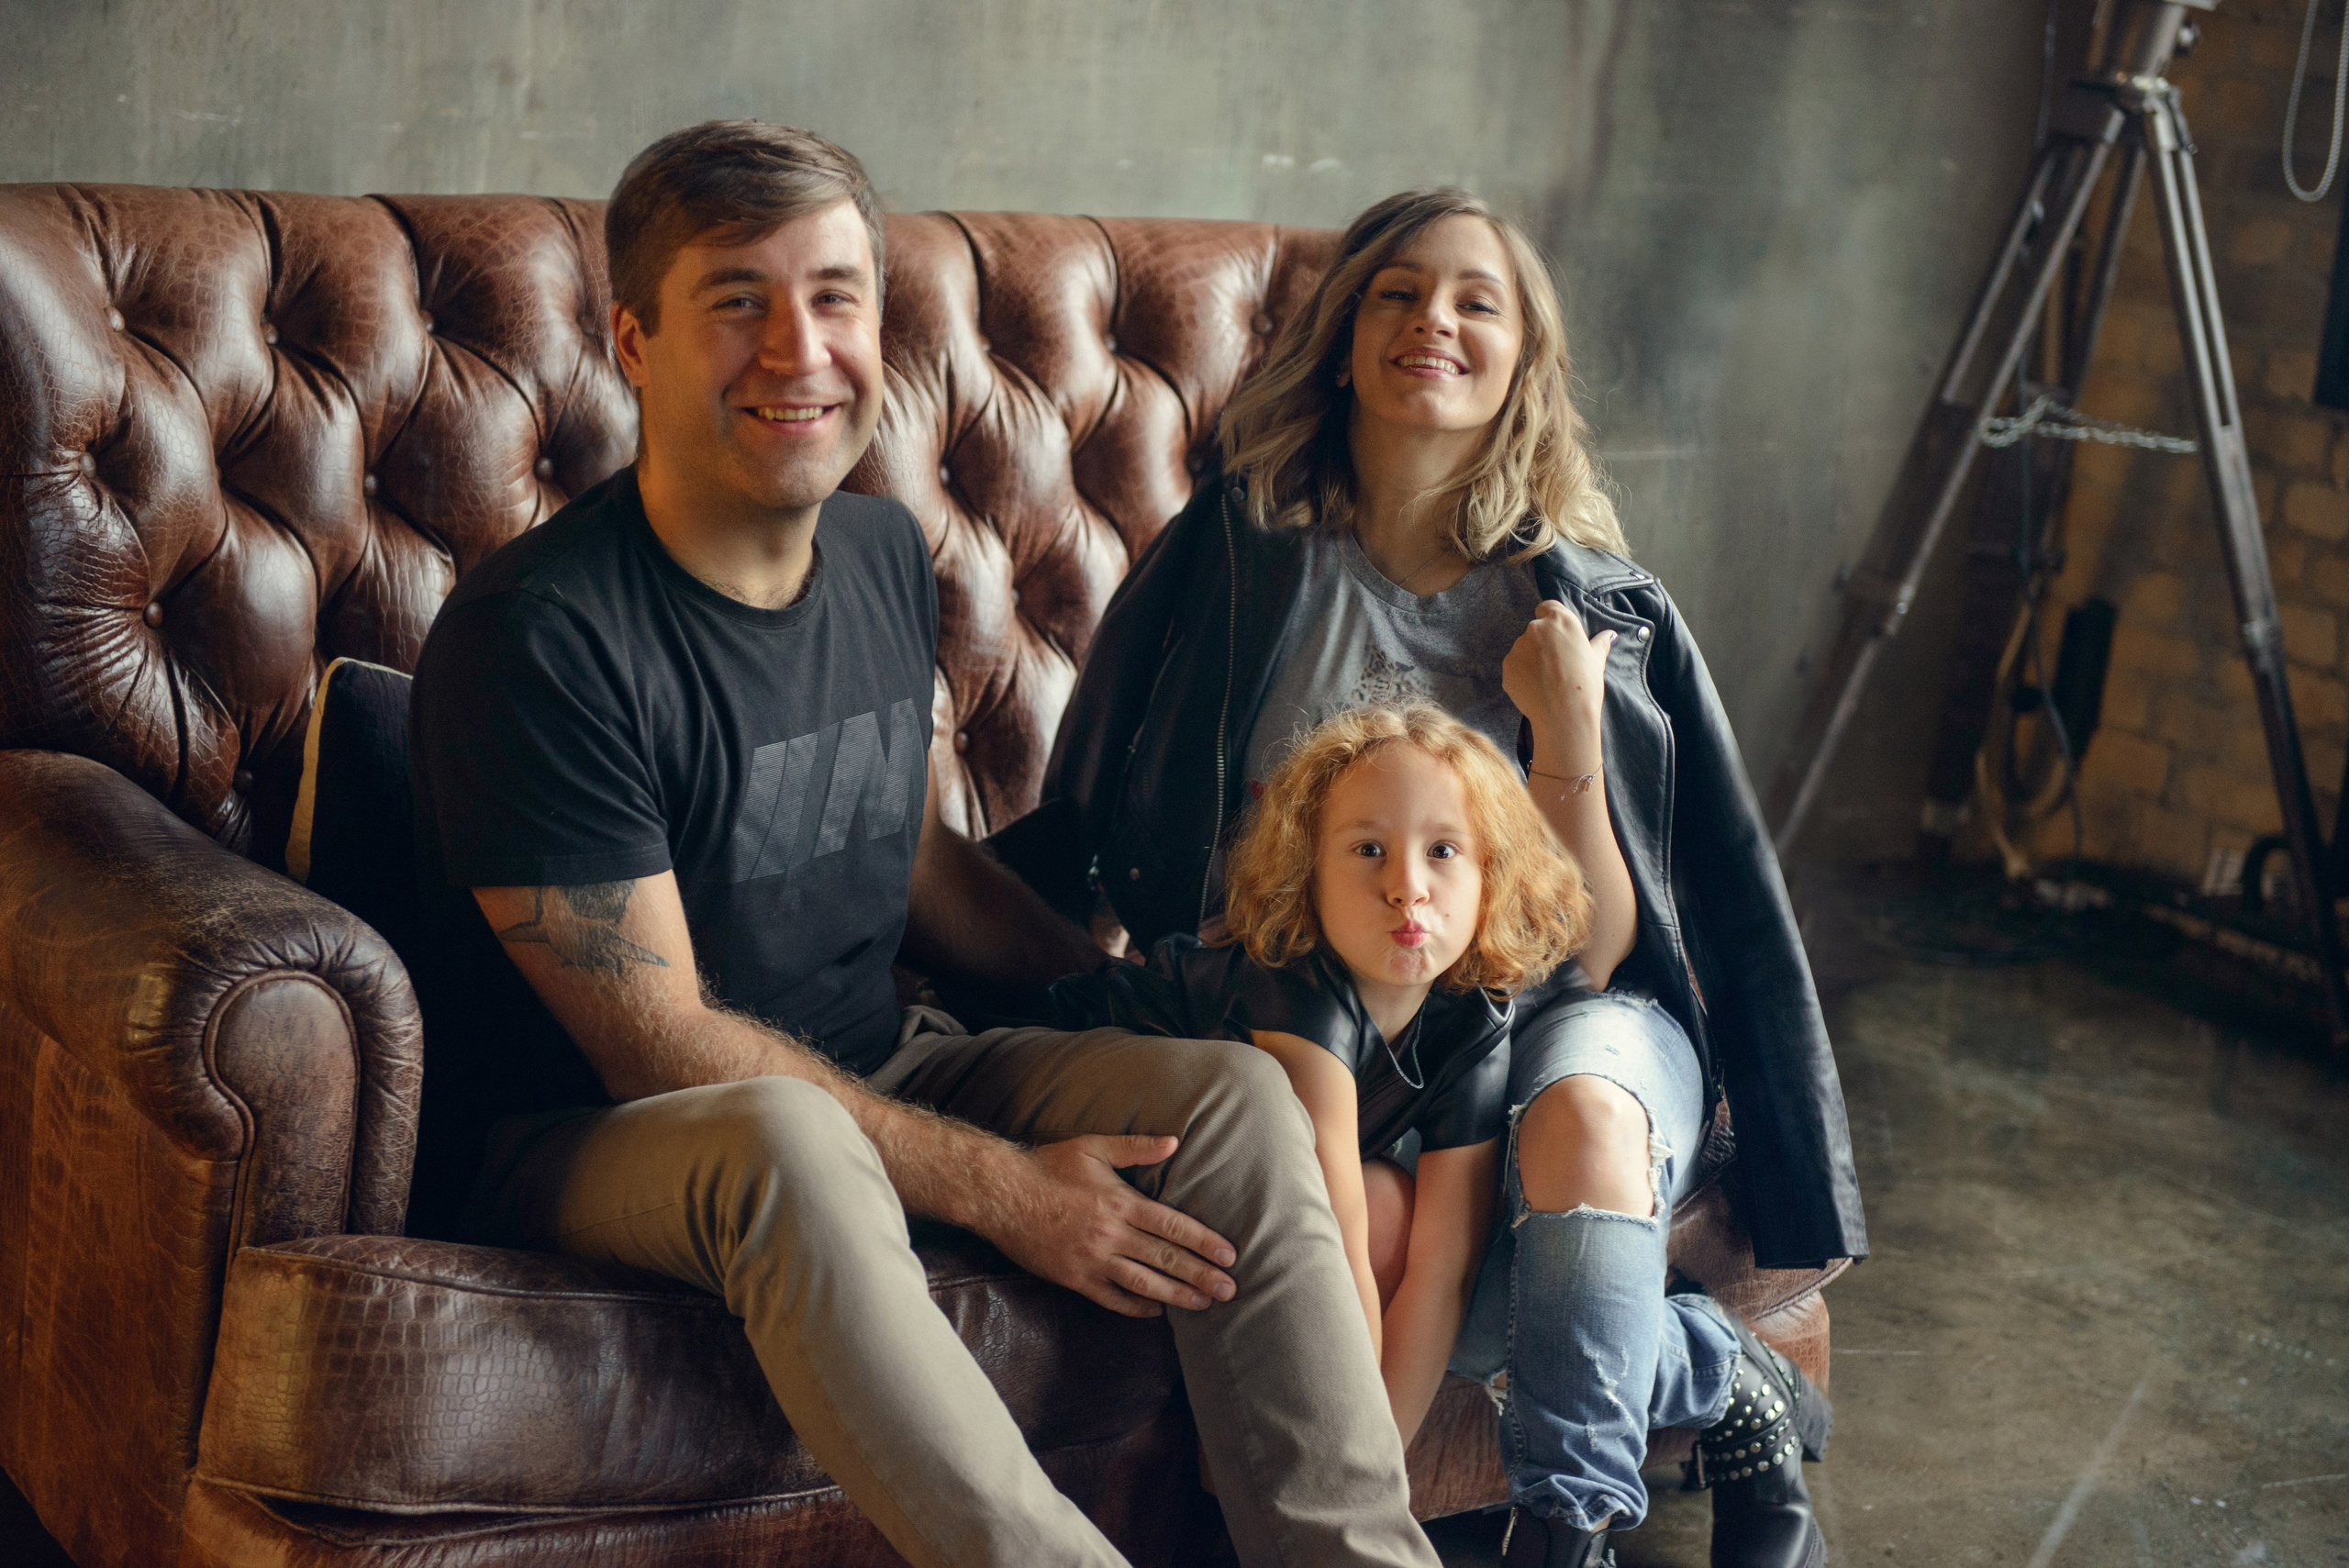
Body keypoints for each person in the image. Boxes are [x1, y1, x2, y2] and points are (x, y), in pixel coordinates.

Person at [406, 120, 1444, 1568]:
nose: (798, 349)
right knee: (790, 1135)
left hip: (875, 1060)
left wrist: (1122, 986)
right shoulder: (543, 639)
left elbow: (901, 855)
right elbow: (654, 1042)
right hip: (590, 1139)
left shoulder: (883, 554)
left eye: (834, 296)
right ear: (635, 343)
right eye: (736, 302)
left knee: (1234, 1100)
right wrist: (1006, 1192)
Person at [1012, 188, 1868, 1568]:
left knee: (1584, 1117)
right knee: (1400, 1231)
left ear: (1524, 361)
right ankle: (1715, 1371)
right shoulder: (1237, 553)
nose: (1435, 322)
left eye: (1479, 301)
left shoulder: (1591, 605)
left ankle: (1567, 1531)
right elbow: (1099, 806)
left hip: (1547, 1007)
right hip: (1318, 1011)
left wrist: (1574, 737)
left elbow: (1593, 955)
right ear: (1344, 339)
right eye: (1399, 294)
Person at [1052, 704, 1593, 1447]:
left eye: (1442, 850)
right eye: (1368, 849)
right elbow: (1330, 1238)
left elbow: (1445, 1271)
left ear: (1491, 872)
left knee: (1395, 1207)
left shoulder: (1473, 1020)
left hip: (1217, 1165)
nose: (1407, 886)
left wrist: (1380, 1483)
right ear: (1307, 870)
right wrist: (1348, 1473)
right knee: (1364, 1211)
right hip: (1065, 1067)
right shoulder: (1295, 983)